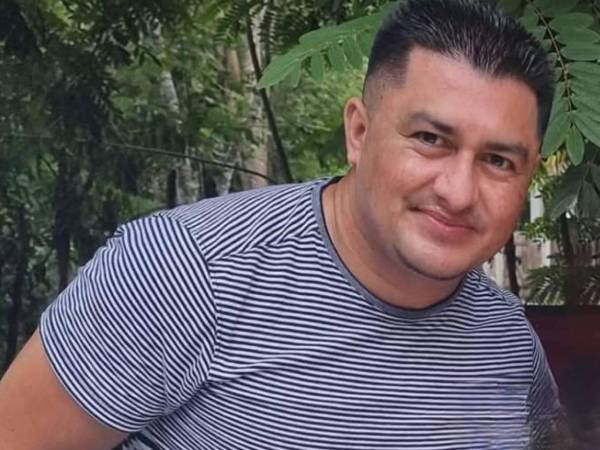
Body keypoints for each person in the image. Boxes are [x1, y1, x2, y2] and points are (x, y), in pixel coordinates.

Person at [0, 0, 565, 449]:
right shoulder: (185, 273)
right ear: (359, 133)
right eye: (430, 138)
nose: (458, 192)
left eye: (498, 160)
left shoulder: (509, 345)